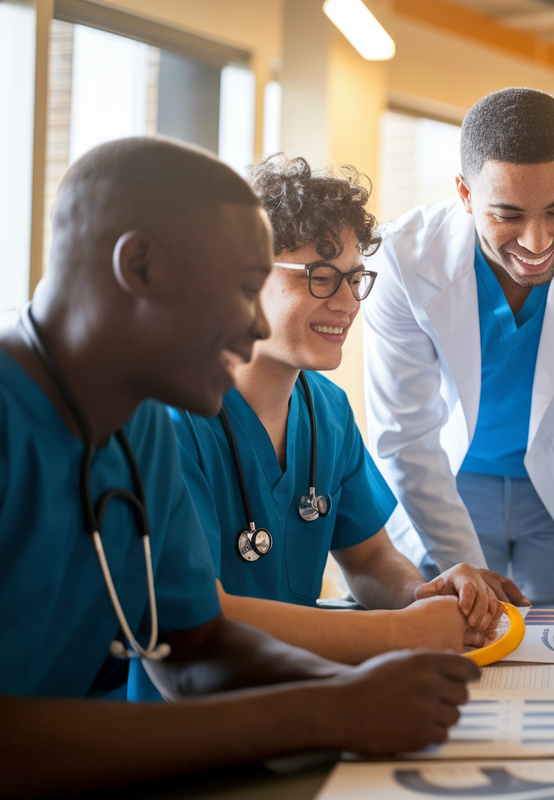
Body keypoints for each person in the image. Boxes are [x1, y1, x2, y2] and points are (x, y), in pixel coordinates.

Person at [0, 138, 478, 797]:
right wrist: (331, 705)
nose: (256, 324)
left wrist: (363, 689)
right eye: (245, 289)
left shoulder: (138, 426)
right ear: (140, 266)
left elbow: (192, 649)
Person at [128, 156, 527, 703]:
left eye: (355, 278)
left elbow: (367, 559)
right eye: (320, 277)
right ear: (243, 277)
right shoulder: (172, 420)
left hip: (296, 697)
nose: (345, 302)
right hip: (188, 720)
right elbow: (201, 613)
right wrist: (399, 633)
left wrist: (421, 595)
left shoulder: (327, 411)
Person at [363, 88, 554, 603]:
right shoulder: (403, 259)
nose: (537, 242)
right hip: (450, 481)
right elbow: (406, 432)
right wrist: (464, 566)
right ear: (464, 193)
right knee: (465, 642)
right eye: (508, 216)